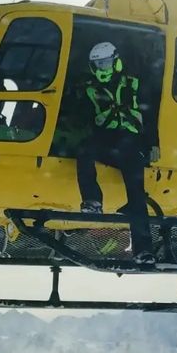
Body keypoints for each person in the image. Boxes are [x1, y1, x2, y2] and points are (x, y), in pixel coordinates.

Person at [75, 41, 155, 266]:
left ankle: (143, 250)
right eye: (99, 64)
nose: (103, 67)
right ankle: (92, 200)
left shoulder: (135, 83)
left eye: (106, 62)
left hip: (131, 143)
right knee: (84, 151)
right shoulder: (90, 89)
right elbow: (82, 116)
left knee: (136, 196)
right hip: (107, 140)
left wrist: (152, 144)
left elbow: (151, 114)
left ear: (116, 60)